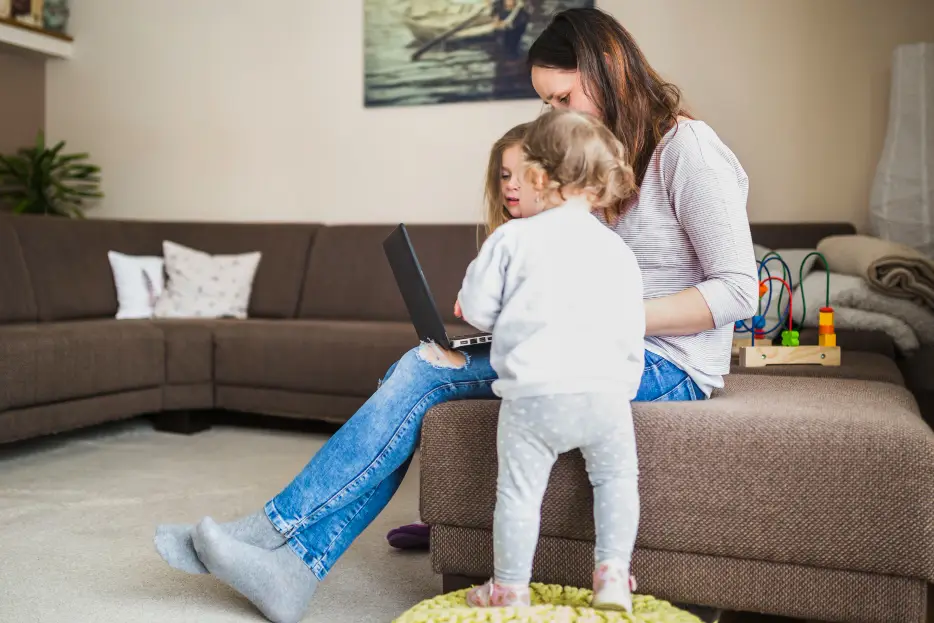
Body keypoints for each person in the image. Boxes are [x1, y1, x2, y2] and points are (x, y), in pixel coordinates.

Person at [153, 8, 758, 623]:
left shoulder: (689, 150)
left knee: (425, 375)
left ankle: (273, 538)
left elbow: (740, 290)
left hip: (665, 358)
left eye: (564, 96)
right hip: (584, 340)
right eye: (548, 103)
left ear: (609, 69)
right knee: (422, 360)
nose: (559, 116)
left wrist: (607, 318)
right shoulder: (595, 159)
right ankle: (287, 561)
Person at [459, 108, 644, 612]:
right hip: (606, 397)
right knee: (617, 481)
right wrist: (622, 385)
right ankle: (611, 576)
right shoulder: (617, 250)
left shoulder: (511, 239)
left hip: (534, 398)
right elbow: (634, 326)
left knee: (518, 494)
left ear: (537, 177)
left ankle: (510, 589)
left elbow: (476, 311)